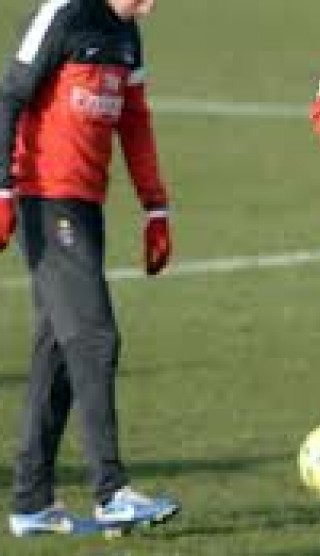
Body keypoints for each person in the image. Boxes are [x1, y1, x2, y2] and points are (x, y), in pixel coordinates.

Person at [0, 0, 179, 536]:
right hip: (43, 199)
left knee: (58, 348)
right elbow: (9, 95)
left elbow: (135, 119)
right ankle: (111, 493)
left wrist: (156, 207)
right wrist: (1, 190)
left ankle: (32, 503)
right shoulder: (65, 12)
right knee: (95, 338)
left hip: (85, 205)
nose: (152, 5)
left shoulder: (128, 35)